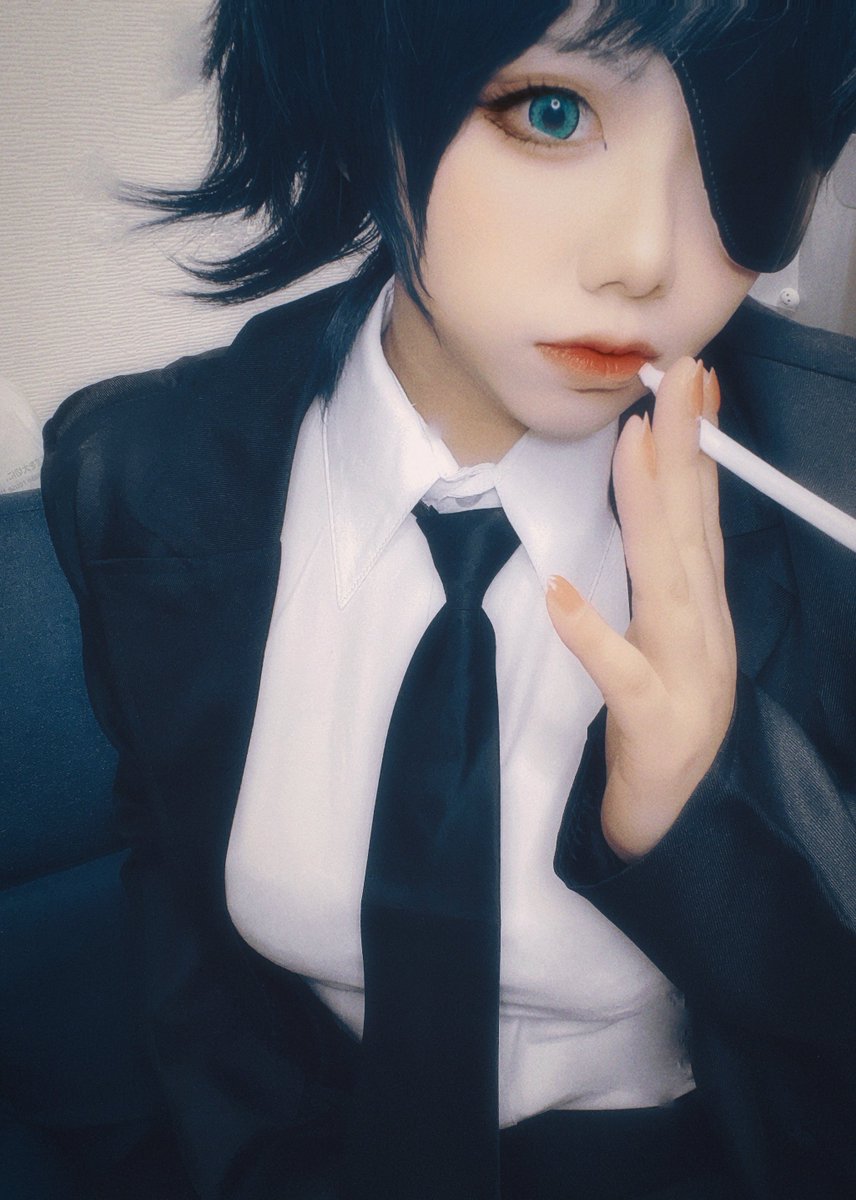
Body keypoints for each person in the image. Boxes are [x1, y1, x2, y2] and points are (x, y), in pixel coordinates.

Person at [40, 1, 856, 1197]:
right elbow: (183, 923)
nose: (644, 258)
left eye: (748, 134)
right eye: (552, 112)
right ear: (363, 89)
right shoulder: (142, 473)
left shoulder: (830, 501)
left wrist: (711, 809)